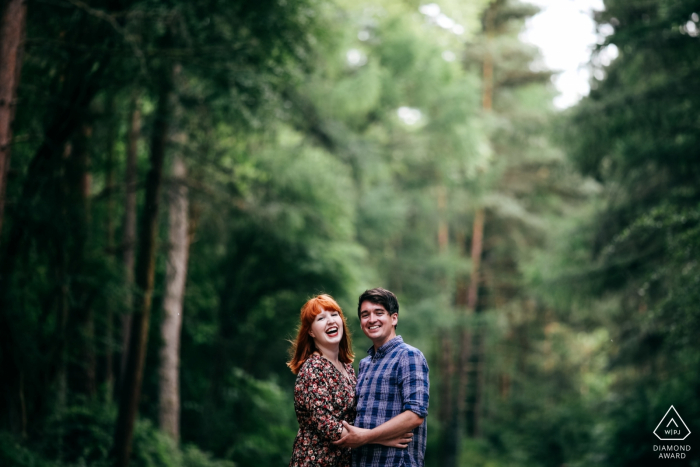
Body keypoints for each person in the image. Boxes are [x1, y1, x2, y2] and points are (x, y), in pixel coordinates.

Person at [288, 294, 413, 467]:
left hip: (345, 461)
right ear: (310, 331)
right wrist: (381, 439)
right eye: (321, 318)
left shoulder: (346, 367)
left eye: (334, 314)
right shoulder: (313, 369)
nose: (330, 321)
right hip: (316, 461)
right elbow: (329, 427)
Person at [333, 288, 430, 467]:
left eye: (379, 313)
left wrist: (366, 437)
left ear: (394, 318)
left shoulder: (409, 356)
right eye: (365, 314)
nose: (371, 320)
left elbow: (415, 414)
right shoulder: (365, 364)